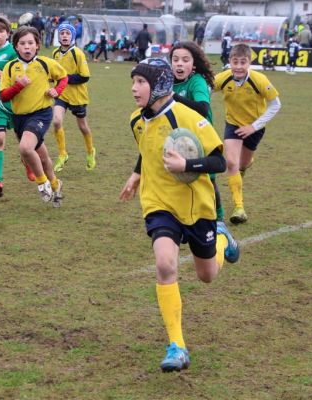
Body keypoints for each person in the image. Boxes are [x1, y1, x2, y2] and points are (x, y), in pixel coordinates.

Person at [119, 57, 239, 373]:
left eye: (141, 82)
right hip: (159, 204)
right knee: (164, 263)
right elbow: (148, 150)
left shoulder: (189, 117)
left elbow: (219, 162)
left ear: (158, 84)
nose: (134, 88)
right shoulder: (136, 121)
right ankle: (178, 346)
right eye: (133, 82)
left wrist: (187, 166)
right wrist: (137, 173)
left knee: (207, 275)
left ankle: (222, 242)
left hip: (198, 207)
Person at [213, 44, 281, 224]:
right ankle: (239, 207)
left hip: (255, 128)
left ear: (249, 63)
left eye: (243, 62)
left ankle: (244, 167)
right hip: (233, 125)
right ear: (229, 62)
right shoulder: (223, 78)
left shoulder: (259, 80)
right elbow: (205, 89)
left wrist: (254, 126)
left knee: (243, 163)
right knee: (231, 162)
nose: (239, 66)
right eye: (235, 62)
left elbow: (276, 105)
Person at [0, 26, 68, 207]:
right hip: (19, 118)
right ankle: (55, 184)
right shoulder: (10, 67)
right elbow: (4, 95)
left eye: (30, 43)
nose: (27, 47)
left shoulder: (45, 63)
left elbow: (64, 77)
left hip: (41, 113)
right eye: (22, 43)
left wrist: (56, 90)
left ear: (37, 45)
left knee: (25, 148)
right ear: (16, 47)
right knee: (42, 157)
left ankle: (42, 182)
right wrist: (18, 86)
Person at [170, 41, 226, 222]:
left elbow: (202, 109)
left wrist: (174, 97)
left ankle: (219, 218)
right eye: (175, 59)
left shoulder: (197, 82)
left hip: (203, 137)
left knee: (209, 180)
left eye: (185, 60)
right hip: (180, 137)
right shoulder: (168, 83)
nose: (179, 63)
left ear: (193, 64)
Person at [0, 15, 30, 197]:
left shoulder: (12, 51)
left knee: (24, 143)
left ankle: (27, 163)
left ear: (8, 34)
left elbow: (24, 73)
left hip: (16, 102)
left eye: (1, 31)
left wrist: (8, 78)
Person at [51, 23, 96, 173]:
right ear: (59, 36)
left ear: (73, 36)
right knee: (56, 121)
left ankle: (90, 152)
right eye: (62, 33)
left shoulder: (78, 53)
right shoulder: (55, 53)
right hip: (61, 94)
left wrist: (64, 78)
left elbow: (85, 76)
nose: (64, 36)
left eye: (67, 33)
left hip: (77, 96)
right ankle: (63, 154)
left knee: (83, 127)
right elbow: (54, 73)